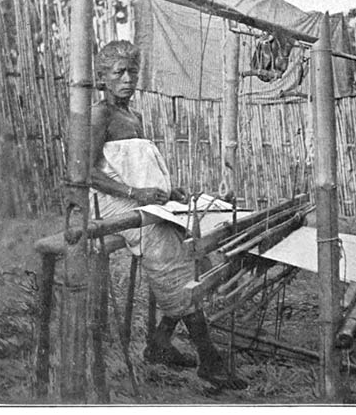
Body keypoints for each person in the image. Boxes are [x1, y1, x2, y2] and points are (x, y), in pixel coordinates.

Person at [90, 40, 246, 390]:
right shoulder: (100, 115)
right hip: (112, 203)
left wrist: (170, 193)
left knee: (192, 238)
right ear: (102, 78)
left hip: (142, 201)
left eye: (132, 71)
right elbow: (83, 173)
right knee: (168, 255)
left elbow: (137, 167)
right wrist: (135, 194)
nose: (127, 79)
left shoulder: (134, 116)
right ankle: (210, 361)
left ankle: (160, 343)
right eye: (119, 73)